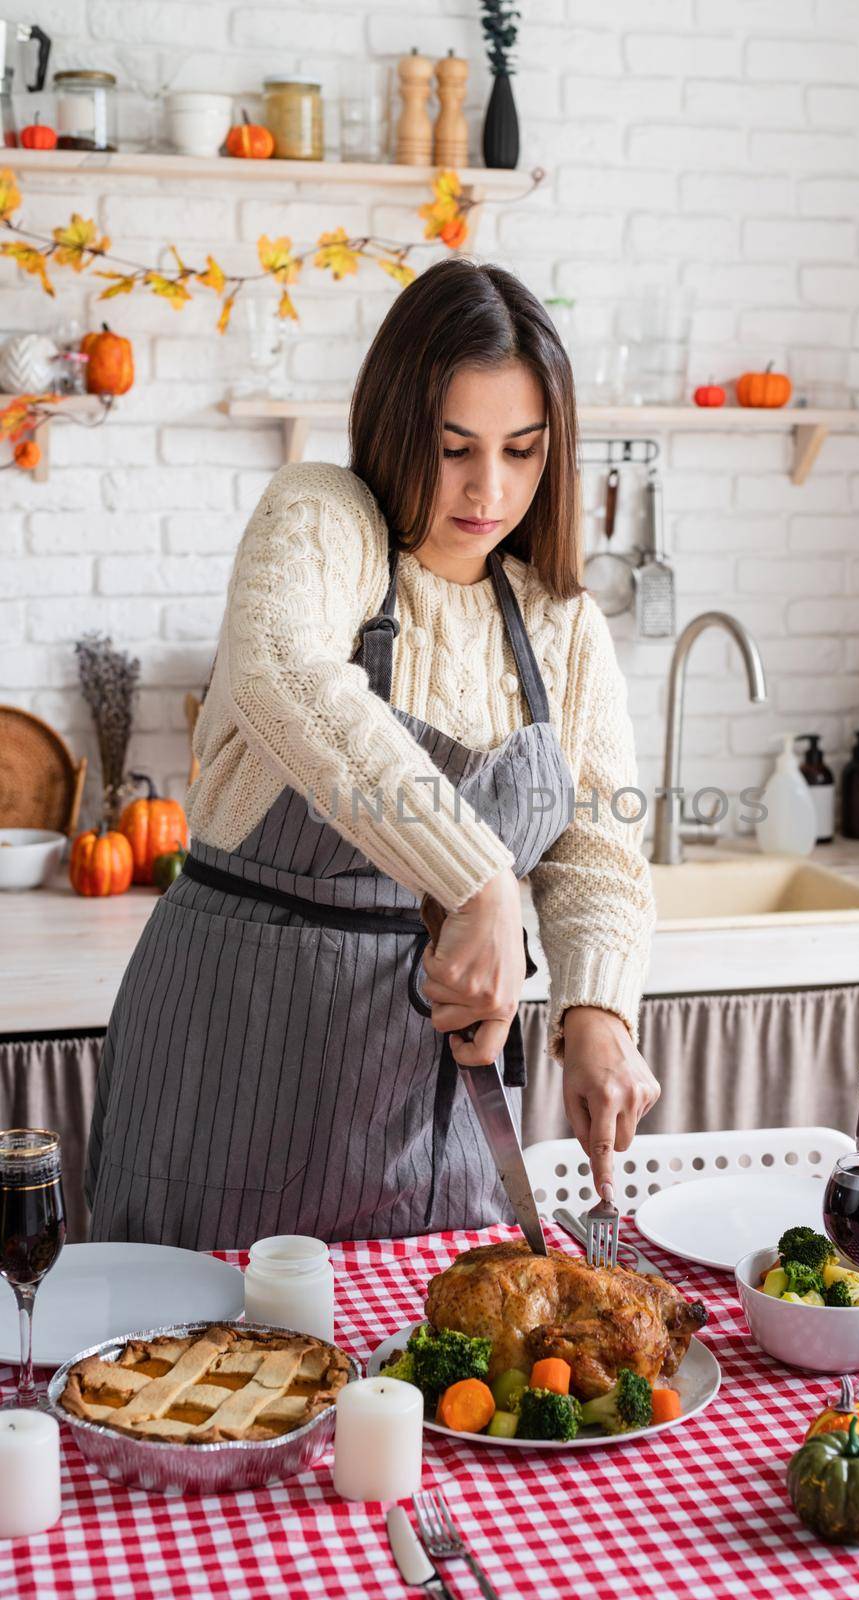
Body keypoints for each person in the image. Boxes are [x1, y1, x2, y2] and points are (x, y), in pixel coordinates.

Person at [85, 257, 659, 1250]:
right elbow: (281, 670)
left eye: (523, 451)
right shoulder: (323, 517)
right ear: (399, 427)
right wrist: (478, 878)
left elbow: (597, 851)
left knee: (443, 1379)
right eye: (455, 449)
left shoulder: (562, 624)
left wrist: (594, 1011)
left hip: (436, 1114)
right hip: (236, 1068)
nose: (490, 488)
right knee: (196, 1385)